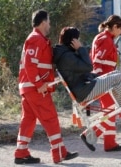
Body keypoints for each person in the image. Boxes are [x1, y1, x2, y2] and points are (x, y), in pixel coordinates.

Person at [14, 9, 78, 164]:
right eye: (48, 22)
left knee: (28, 120)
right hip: (35, 88)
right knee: (50, 118)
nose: (49, 25)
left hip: (30, 88)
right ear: (43, 22)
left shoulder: (37, 39)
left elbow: (38, 65)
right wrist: (39, 84)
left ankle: (21, 152)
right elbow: (30, 64)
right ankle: (59, 153)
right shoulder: (36, 39)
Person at [53, 26, 121, 152]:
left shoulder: (65, 54)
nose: (79, 41)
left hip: (85, 86)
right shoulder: (67, 56)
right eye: (77, 39)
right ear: (73, 41)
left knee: (117, 77)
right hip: (84, 91)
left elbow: (83, 71)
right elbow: (89, 66)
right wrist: (81, 49)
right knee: (119, 78)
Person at [89, 15, 121, 151]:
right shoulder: (106, 40)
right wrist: (102, 81)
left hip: (105, 80)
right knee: (111, 110)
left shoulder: (103, 38)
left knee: (111, 110)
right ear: (115, 26)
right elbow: (97, 61)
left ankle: (110, 143)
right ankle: (91, 134)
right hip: (105, 81)